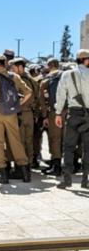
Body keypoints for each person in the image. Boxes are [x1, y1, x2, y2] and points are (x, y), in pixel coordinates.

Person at [0, 54, 32, 184]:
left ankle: (3, 174)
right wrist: (18, 105)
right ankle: (25, 172)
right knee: (16, 141)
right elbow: (28, 92)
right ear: (4, 63)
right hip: (11, 113)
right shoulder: (15, 76)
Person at [55, 49, 89, 189]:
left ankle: (67, 180)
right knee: (88, 149)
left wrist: (58, 113)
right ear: (86, 60)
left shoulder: (67, 74)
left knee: (68, 148)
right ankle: (85, 181)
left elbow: (61, 95)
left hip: (74, 114)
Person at [40, 58, 64, 176]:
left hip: (54, 112)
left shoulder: (47, 79)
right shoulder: (66, 77)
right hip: (67, 112)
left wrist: (44, 115)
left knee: (55, 139)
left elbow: (42, 98)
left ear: (49, 66)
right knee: (65, 139)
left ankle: (56, 166)